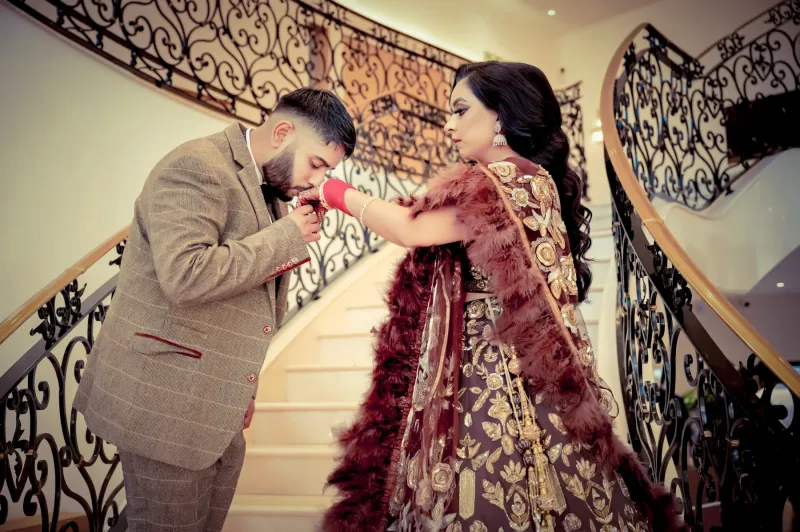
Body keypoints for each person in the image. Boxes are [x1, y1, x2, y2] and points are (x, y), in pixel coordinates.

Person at [308, 63, 684, 531]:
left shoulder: (497, 183)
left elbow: (410, 229)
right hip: (531, 369)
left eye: (461, 110)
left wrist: (333, 189)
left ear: (501, 116)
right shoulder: (535, 180)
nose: (448, 124)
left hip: (492, 376)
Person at [73, 88, 355, 531]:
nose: (318, 182)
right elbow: (185, 274)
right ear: (282, 132)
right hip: (164, 401)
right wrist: (286, 237)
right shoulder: (195, 165)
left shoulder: (274, 191)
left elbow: (250, 303)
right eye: (317, 164)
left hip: (217, 408)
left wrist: (243, 388)